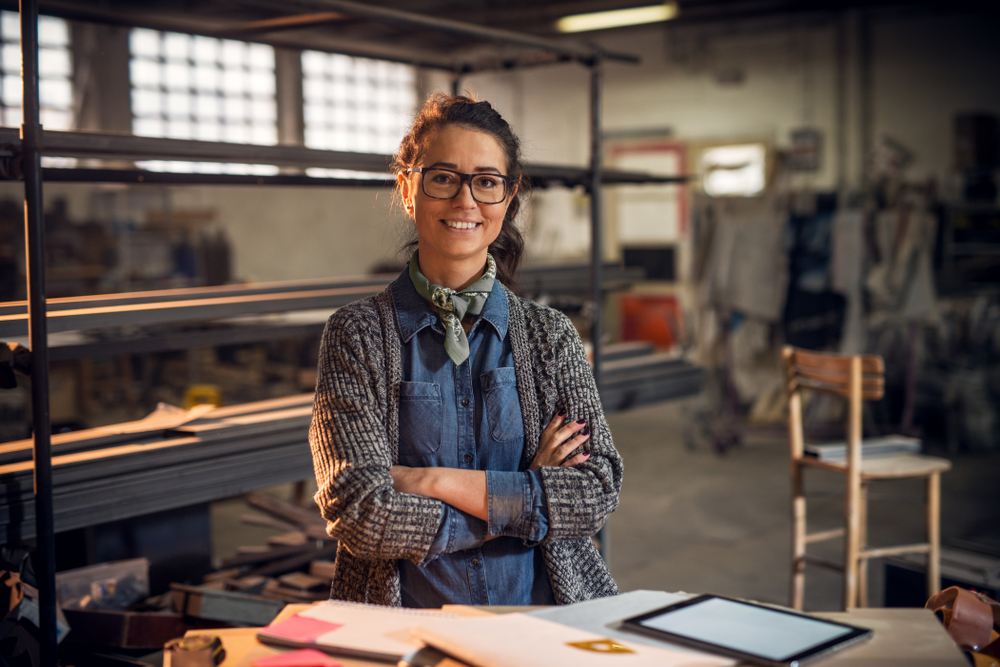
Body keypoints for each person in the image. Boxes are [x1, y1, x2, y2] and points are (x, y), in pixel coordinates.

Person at [309, 93, 622, 607]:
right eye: (443, 177)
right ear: (408, 189)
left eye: (486, 181)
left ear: (508, 195)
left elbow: (594, 491)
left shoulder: (549, 337)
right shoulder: (357, 335)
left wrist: (430, 480)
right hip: (404, 632)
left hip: (541, 624)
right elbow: (361, 513)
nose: (465, 201)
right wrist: (524, 496)